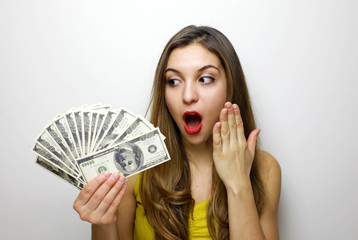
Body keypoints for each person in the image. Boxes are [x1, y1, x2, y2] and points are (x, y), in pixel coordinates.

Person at [73, 25, 281, 240]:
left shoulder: (265, 169)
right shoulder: (133, 168)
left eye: (205, 79)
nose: (188, 95)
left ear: (230, 87)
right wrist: (102, 223)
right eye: (173, 81)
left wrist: (239, 183)